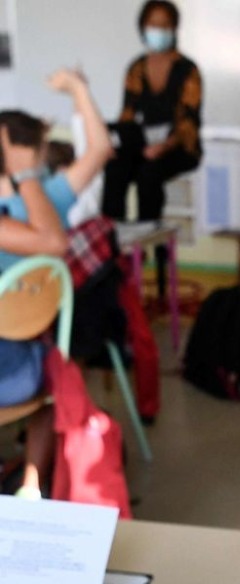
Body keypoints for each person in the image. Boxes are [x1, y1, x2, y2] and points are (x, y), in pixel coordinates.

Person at [101, 0, 202, 297]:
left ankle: (153, 257)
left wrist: (163, 146)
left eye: (165, 25)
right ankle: (111, 251)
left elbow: (189, 121)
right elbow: (128, 115)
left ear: (174, 28)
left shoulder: (188, 70)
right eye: (154, 25)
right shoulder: (136, 68)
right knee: (115, 167)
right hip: (143, 145)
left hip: (179, 147)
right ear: (144, 29)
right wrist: (117, 143)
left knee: (149, 175)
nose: (159, 31)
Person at [0, 125, 69, 500]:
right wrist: (25, 176)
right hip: (11, 382)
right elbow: (53, 242)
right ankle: (32, 485)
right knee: (53, 373)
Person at [0, 69, 113, 270]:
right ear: (31, 153)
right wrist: (79, 90)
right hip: (55, 300)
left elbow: (100, 150)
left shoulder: (47, 194)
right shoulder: (51, 196)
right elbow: (100, 148)